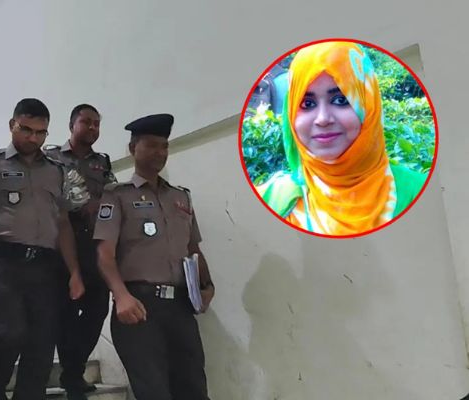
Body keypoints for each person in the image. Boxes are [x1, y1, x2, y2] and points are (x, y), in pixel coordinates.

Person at [0, 98, 85, 400]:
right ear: (12, 125)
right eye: (26, 129)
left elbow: (63, 224)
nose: (33, 138)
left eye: (41, 132)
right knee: (9, 333)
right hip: (3, 263)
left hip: (46, 267)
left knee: (42, 343)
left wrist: (75, 272)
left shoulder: (57, 170)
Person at [93, 113, 215, 400]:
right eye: (151, 145)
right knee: (153, 392)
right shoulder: (117, 196)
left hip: (181, 308)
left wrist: (207, 286)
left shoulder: (181, 198)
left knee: (194, 389)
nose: (159, 153)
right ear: (132, 148)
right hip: (139, 307)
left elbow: (193, 250)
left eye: (164, 146)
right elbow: (104, 254)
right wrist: (121, 296)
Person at [256, 41, 427, 235]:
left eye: (340, 100)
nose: (322, 119)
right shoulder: (270, 202)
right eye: (307, 103)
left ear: (369, 106)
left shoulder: (422, 193)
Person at [44, 104, 116, 400]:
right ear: (72, 125)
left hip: (93, 244)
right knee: (65, 312)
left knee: (98, 309)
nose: (92, 128)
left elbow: (112, 195)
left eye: (96, 123)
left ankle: (73, 368)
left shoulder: (102, 162)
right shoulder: (52, 157)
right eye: (86, 122)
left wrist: (102, 206)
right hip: (59, 244)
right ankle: (72, 376)